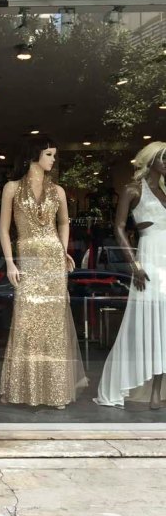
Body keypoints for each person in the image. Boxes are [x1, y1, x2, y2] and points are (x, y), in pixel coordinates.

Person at [0, 133, 86, 408]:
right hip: (28, 261)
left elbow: (63, 223)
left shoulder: (57, 190)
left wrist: (63, 251)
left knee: (54, 327)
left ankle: (56, 392)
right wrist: (10, 261)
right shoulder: (11, 188)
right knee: (26, 324)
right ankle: (26, 391)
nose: (53, 159)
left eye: (53, 155)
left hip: (52, 261)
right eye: (49, 154)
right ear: (34, 154)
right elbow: (4, 228)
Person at [94, 141, 166, 409]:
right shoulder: (132, 190)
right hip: (148, 260)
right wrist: (133, 264)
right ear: (152, 160)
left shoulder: (165, 192)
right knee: (142, 324)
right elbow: (119, 227)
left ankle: (157, 390)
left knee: (164, 327)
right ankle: (129, 382)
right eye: (164, 158)